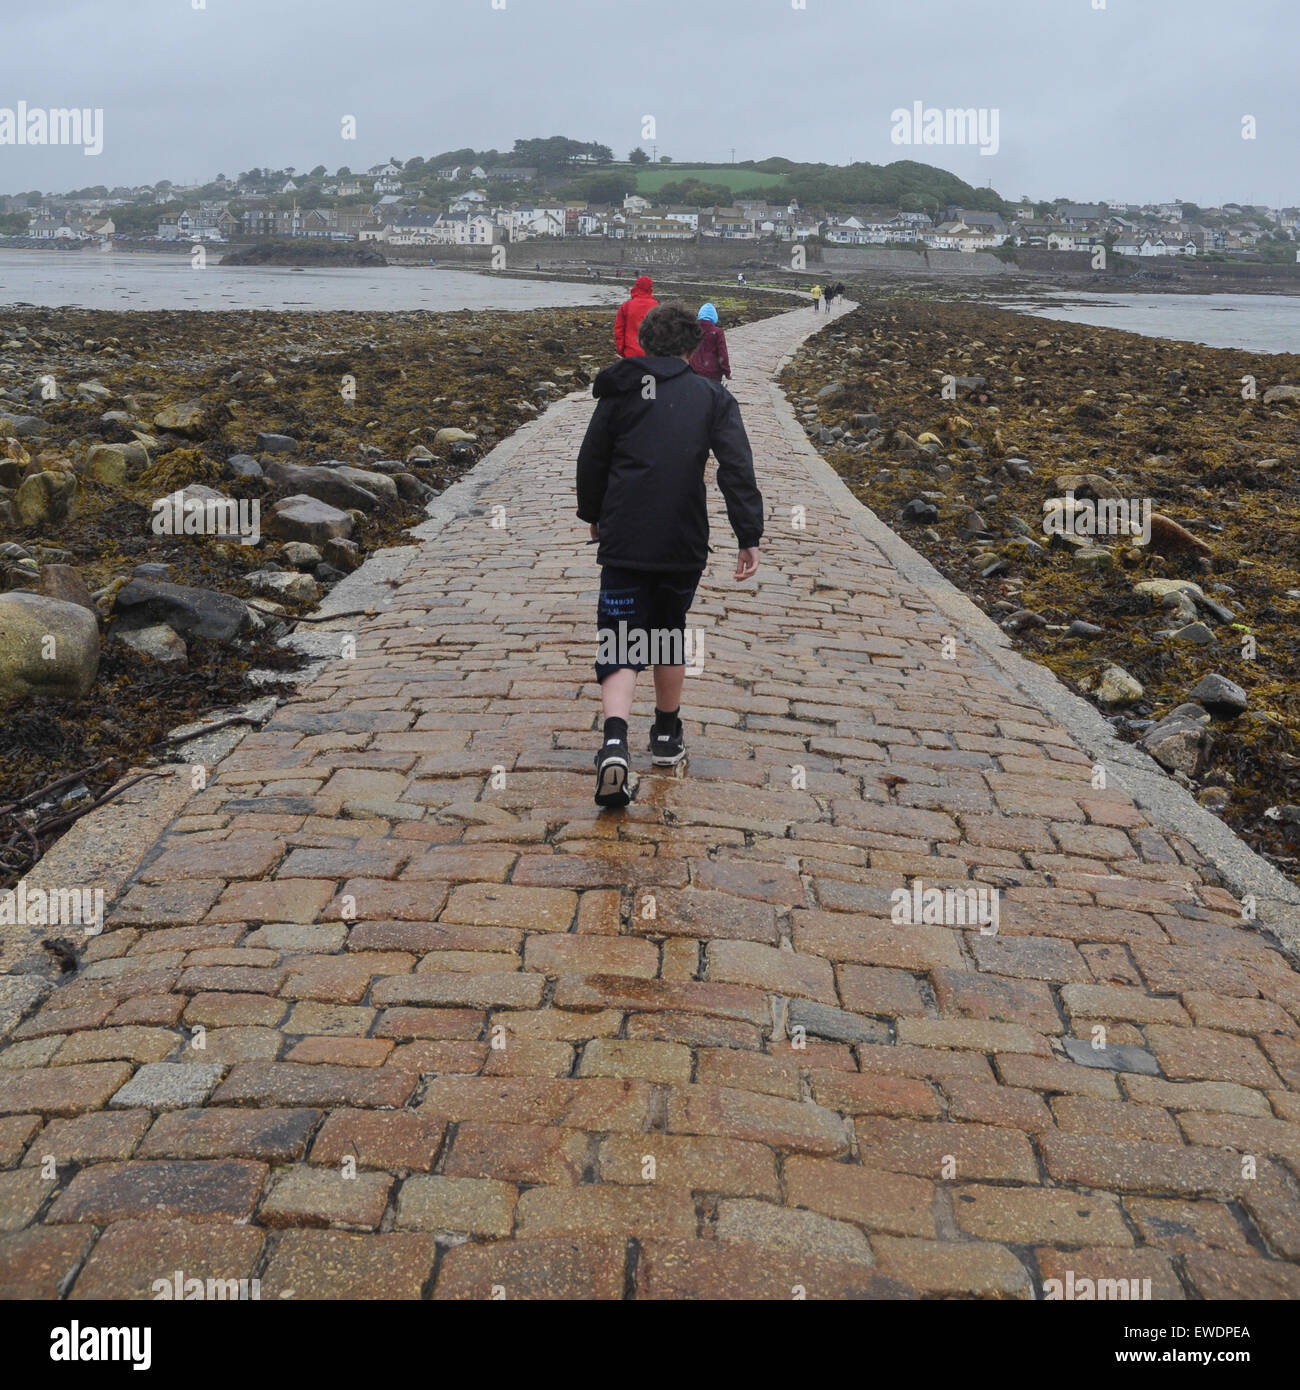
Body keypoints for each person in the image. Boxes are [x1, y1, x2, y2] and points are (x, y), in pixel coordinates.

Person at [576, 302, 763, 807]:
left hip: (625, 538)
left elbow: (592, 457)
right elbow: (735, 467)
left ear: (645, 340)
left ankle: (614, 741)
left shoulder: (619, 389)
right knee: (666, 630)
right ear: (691, 347)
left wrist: (592, 514)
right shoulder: (711, 396)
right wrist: (748, 535)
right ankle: (664, 736)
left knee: (619, 636)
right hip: (681, 540)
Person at [614, 274, 657, 357]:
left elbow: (619, 331)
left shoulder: (626, 306)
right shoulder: (657, 306)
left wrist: (621, 350)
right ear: (650, 288)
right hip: (652, 354)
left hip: (631, 353)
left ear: (636, 286)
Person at [688, 302, 731, 384]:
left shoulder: (692, 330)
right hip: (712, 373)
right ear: (714, 317)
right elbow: (722, 353)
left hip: (693, 371)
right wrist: (727, 372)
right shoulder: (717, 332)